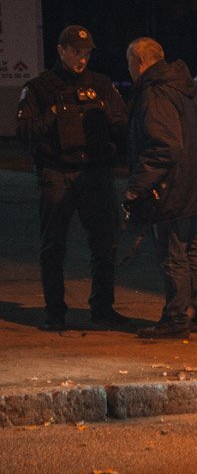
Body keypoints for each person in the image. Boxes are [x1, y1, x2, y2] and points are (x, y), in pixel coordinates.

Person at [15, 25, 130, 331]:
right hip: (57, 173)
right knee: (54, 246)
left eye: (87, 53)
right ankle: (55, 312)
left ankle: (102, 308)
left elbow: (122, 124)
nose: (82, 58)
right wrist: (54, 112)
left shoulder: (102, 84)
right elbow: (24, 132)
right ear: (61, 50)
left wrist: (107, 121)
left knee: (105, 244)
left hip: (94, 173)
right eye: (76, 52)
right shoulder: (40, 87)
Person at [124, 37, 197, 339]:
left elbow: (164, 146)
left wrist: (136, 187)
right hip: (195, 184)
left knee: (172, 254)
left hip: (171, 188)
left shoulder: (155, 92)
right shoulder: (185, 85)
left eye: (130, 63)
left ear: (139, 62)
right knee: (191, 246)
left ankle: (175, 319)